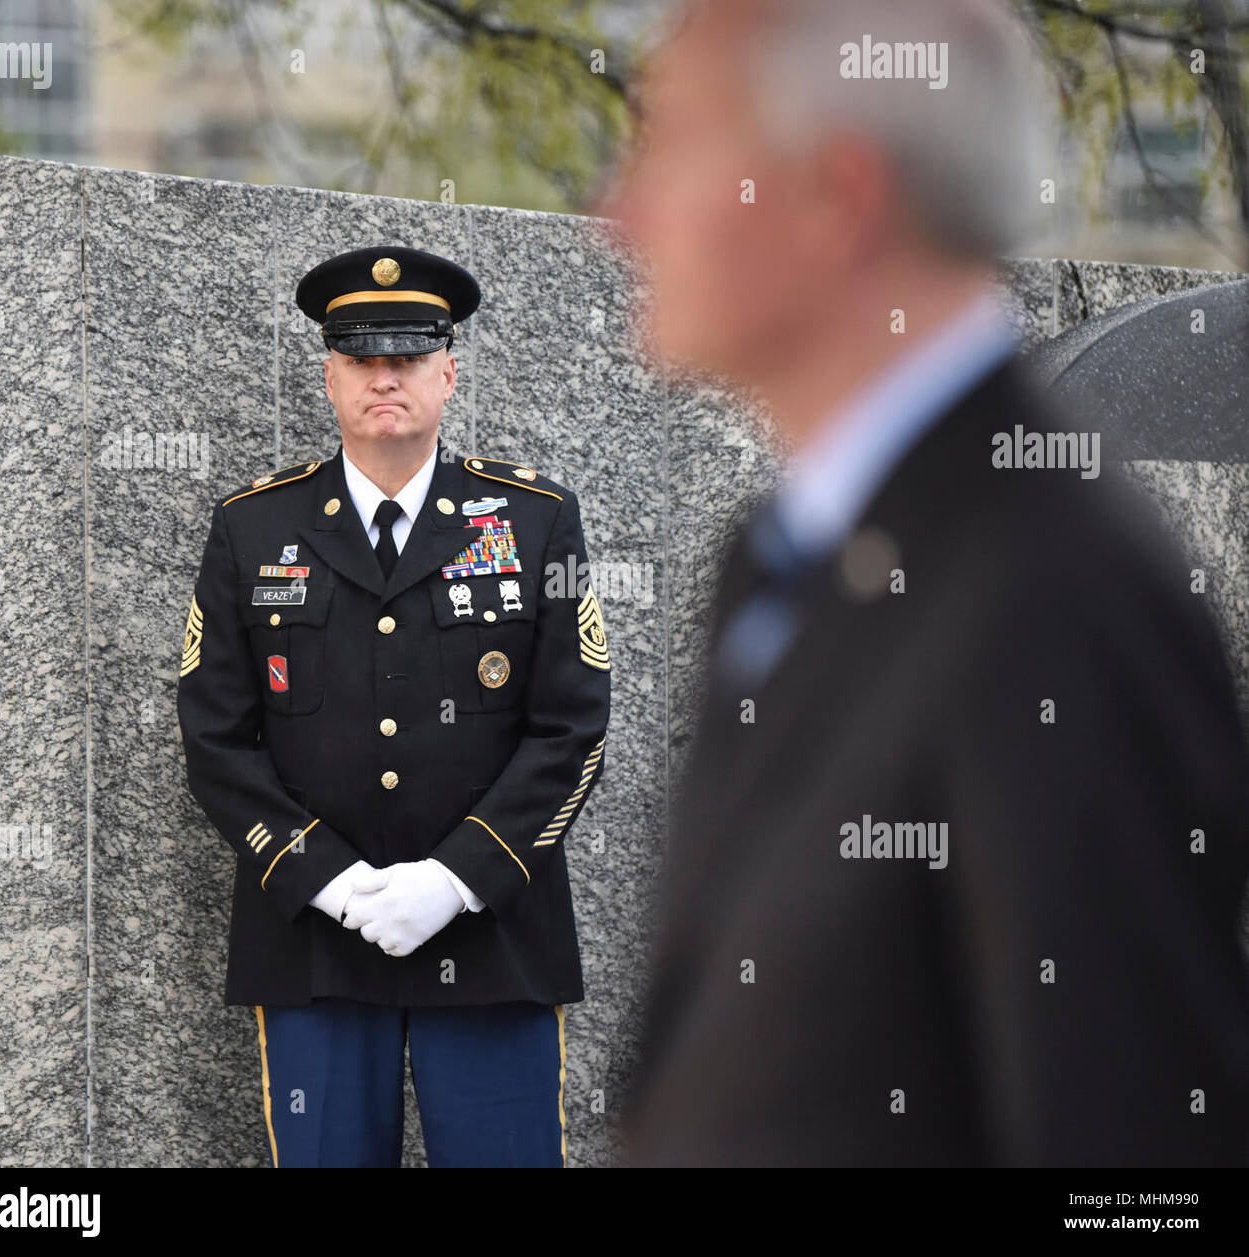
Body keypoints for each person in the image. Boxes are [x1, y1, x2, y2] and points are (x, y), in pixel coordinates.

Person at [604, 0, 1249, 1165]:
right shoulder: (783, 552)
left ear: (835, 195)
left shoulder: (1059, 600)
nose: (620, 212)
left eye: (675, 144)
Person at [176, 245, 611, 1167]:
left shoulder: (533, 520)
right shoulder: (253, 527)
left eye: (408, 356)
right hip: (315, 945)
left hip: (495, 933)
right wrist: (328, 881)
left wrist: (452, 879)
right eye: (361, 357)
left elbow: (573, 731)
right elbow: (216, 736)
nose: (385, 377)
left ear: (448, 373)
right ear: (329, 376)